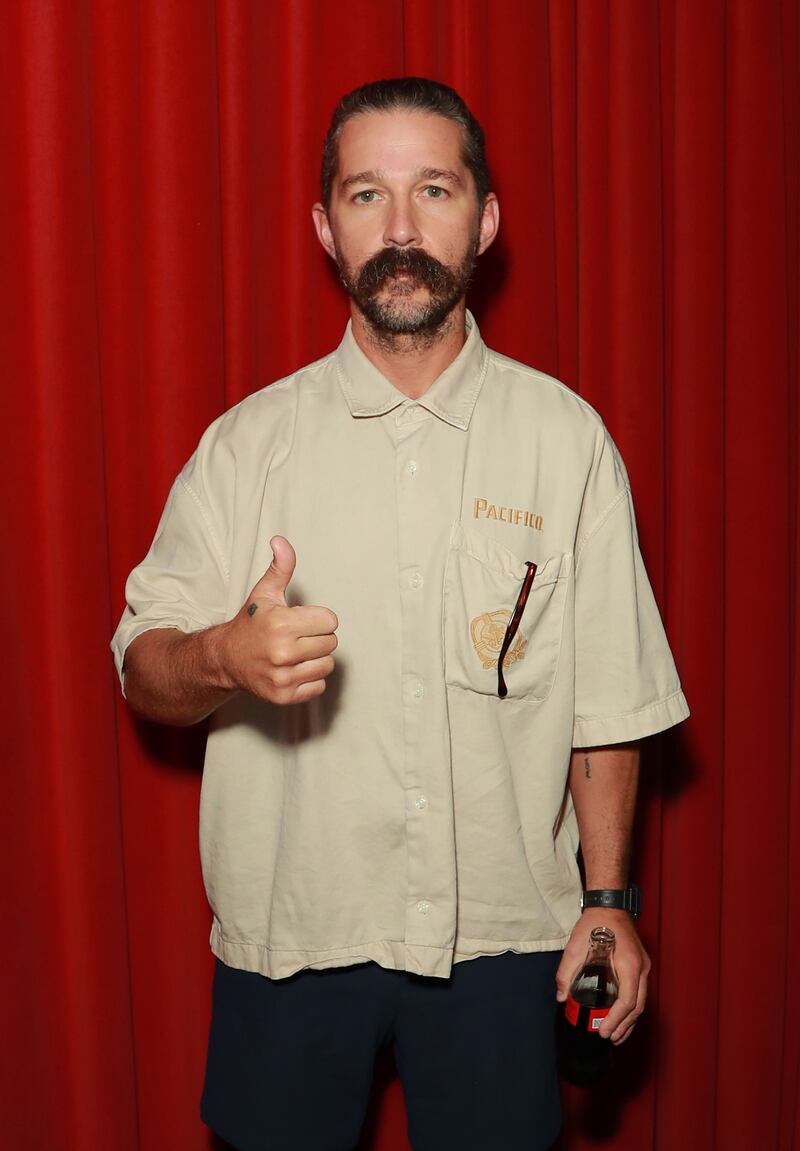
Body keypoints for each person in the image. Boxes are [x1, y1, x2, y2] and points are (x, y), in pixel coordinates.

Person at [112, 77, 690, 1151]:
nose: (402, 230)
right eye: (367, 196)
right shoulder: (245, 447)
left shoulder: (566, 443)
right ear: (324, 227)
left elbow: (607, 701)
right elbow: (143, 668)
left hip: (503, 939)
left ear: (487, 218)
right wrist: (225, 655)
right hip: (294, 930)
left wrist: (608, 901)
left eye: (434, 189)